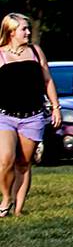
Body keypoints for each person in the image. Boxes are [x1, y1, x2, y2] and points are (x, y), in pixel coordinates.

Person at [0, 13, 61, 218]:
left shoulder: (35, 51)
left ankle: (18, 210)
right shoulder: (0, 54)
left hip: (33, 116)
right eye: (24, 29)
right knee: (5, 159)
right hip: (5, 115)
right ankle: (6, 198)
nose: (28, 32)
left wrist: (55, 107)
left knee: (23, 163)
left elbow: (47, 81)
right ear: (11, 32)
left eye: (28, 28)